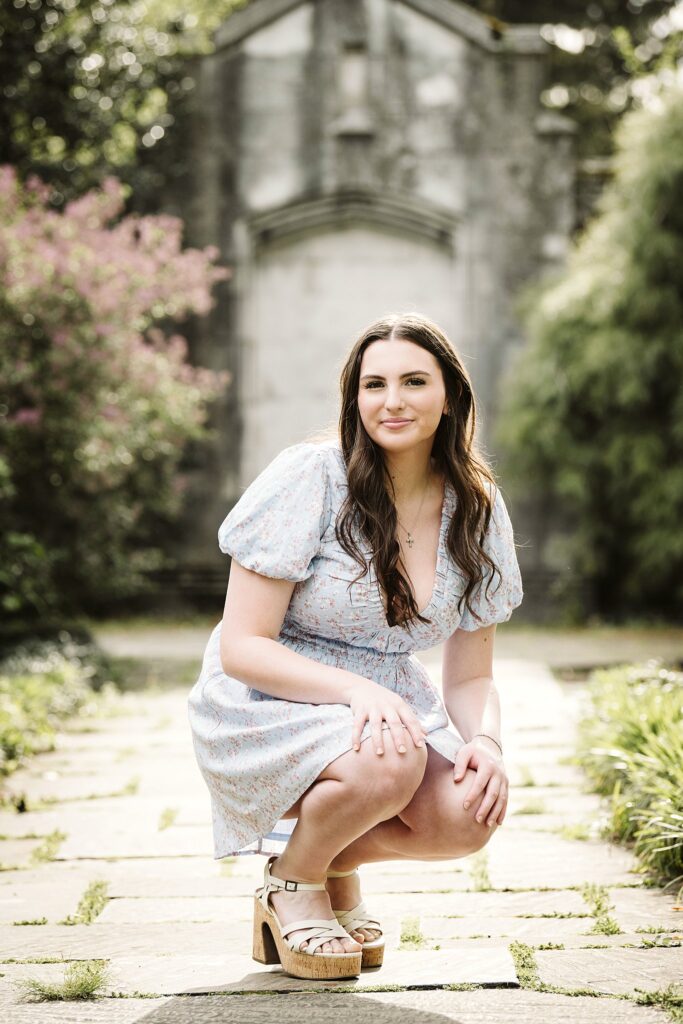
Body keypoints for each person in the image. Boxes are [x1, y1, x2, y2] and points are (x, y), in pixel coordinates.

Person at [187, 312, 523, 981]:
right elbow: (243, 645)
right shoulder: (312, 476)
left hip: (382, 711)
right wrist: (356, 691)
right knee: (388, 754)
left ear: (449, 396)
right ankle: (293, 884)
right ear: (354, 398)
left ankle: (328, 858)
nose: (391, 400)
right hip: (267, 695)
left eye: (413, 381)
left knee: (467, 813)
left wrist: (484, 744)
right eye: (374, 384)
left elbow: (467, 678)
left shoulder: (476, 508)